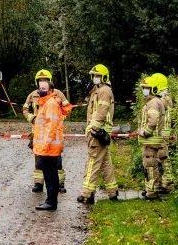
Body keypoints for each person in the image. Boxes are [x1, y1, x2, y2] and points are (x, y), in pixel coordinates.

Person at [30, 69, 73, 210]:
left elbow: (51, 126)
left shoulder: (51, 104)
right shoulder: (47, 103)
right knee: (49, 174)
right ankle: (50, 201)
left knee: (50, 175)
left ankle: (51, 202)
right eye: (40, 88)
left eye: (44, 88)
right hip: (48, 147)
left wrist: (46, 144)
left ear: (50, 90)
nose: (40, 90)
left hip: (49, 147)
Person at [78, 63, 119, 204]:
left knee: (92, 162)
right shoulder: (99, 90)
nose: (95, 78)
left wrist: (91, 129)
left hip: (97, 132)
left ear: (104, 77)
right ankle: (113, 192)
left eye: (98, 76)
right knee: (106, 163)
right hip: (101, 132)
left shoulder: (104, 91)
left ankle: (87, 194)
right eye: (94, 76)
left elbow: (101, 112)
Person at [22, 69, 68, 194]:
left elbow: (67, 108)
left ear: (50, 82)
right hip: (37, 133)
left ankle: (60, 183)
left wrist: (59, 118)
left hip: (53, 132)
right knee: (39, 159)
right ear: (36, 82)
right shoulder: (32, 95)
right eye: (40, 80)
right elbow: (25, 109)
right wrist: (32, 118)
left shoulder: (57, 94)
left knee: (56, 160)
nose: (42, 82)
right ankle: (38, 183)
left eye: (45, 80)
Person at [139, 73, 172, 200]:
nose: (144, 90)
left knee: (151, 164)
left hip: (153, 139)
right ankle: (158, 187)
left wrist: (145, 132)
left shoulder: (155, 102)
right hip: (159, 137)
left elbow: (152, 121)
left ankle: (153, 191)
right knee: (160, 163)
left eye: (146, 88)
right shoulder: (161, 100)